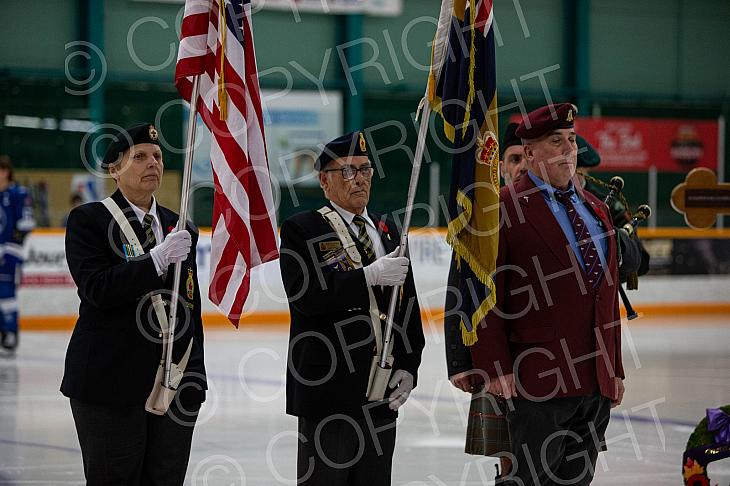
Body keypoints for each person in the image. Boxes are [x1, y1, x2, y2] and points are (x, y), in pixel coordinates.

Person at [470, 103, 626, 486]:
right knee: (530, 480)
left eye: (571, 140)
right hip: (539, 377)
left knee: (577, 480)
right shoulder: (503, 209)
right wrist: (494, 365)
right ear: (530, 153)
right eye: (556, 141)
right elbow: (485, 293)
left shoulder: (597, 209)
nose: (568, 149)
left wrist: (615, 368)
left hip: (595, 380)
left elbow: (605, 297)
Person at [61, 123, 207, 486]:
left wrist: (196, 378)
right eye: (139, 157)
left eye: (157, 156)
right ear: (115, 169)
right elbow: (97, 289)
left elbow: (188, 303)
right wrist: (154, 261)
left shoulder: (178, 225)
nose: (152, 163)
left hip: (174, 384)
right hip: (110, 383)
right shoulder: (89, 221)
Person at [279, 131, 425, 485]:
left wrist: (409, 365)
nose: (359, 179)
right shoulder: (304, 229)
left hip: (381, 388)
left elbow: (408, 304)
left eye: (365, 169)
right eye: (347, 171)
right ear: (324, 181)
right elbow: (307, 297)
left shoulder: (389, 229)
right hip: (328, 387)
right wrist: (368, 276)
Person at [444, 123, 527, 479]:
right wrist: (458, 360)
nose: (522, 164)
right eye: (514, 158)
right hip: (497, 353)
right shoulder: (486, 214)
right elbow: (459, 284)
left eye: (527, 156)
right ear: (503, 166)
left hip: (552, 353)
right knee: (510, 454)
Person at [575, 135, 650, 283]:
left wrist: (615, 245)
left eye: (571, 166)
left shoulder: (607, 204)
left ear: (583, 169)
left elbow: (641, 262)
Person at [0, 155, 35, 352]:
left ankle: (10, 332)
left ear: (5, 171)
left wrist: (9, 248)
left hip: (11, 253)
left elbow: (26, 224)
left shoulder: (18, 194)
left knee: (6, 293)